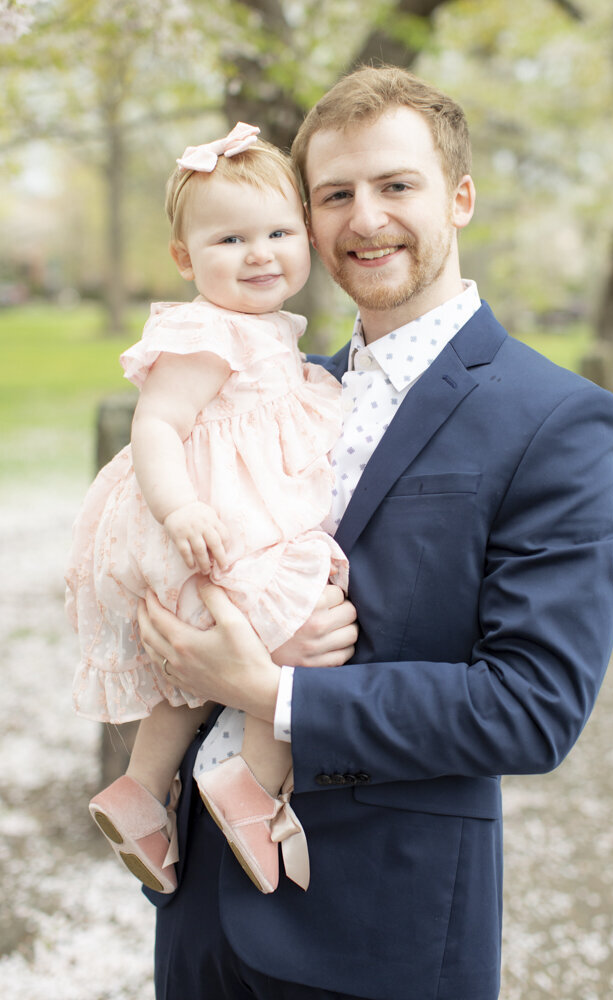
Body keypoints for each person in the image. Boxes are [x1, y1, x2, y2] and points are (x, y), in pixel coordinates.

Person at [136, 66, 613, 1000]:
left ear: (460, 196)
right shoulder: (266, 393)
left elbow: (533, 706)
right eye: (335, 194)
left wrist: (271, 693)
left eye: (395, 185)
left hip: (377, 936)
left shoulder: (556, 419)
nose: (365, 219)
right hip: (199, 917)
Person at [65, 123, 347, 900]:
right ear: (185, 259)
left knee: (189, 679)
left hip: (230, 517)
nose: (259, 254)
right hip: (208, 524)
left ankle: (141, 791)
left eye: (278, 233)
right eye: (230, 238)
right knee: (297, 626)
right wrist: (182, 508)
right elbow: (155, 426)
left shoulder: (268, 331)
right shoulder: (202, 332)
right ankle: (251, 785)